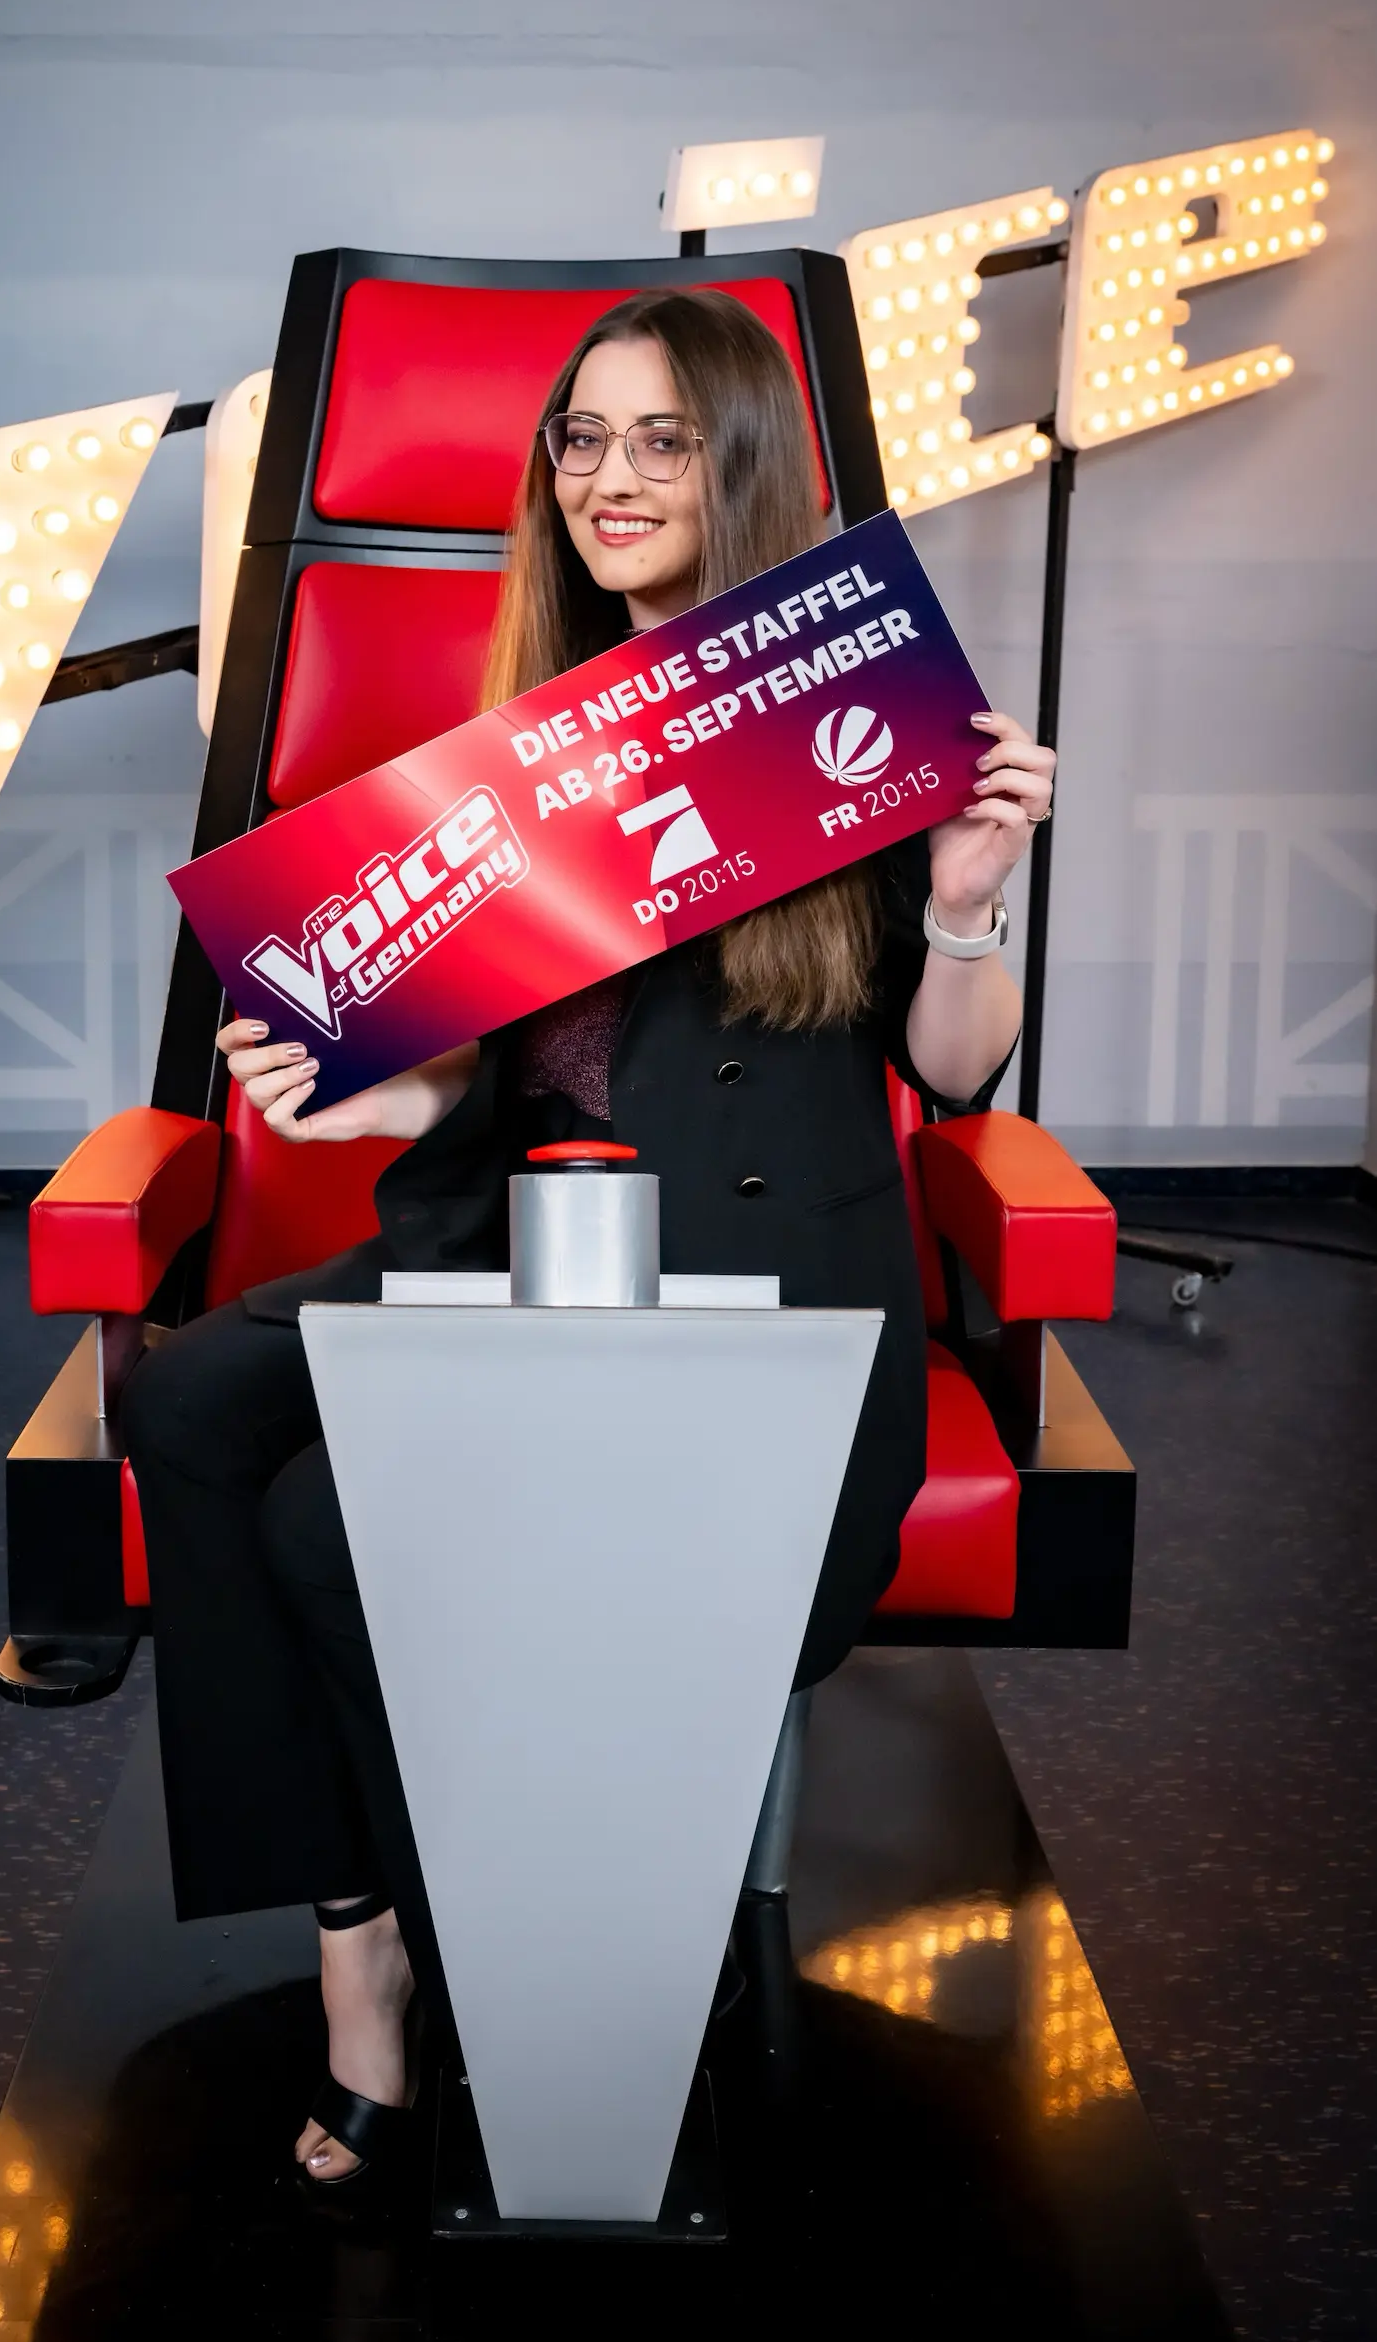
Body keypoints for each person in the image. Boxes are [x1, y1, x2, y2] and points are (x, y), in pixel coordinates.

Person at [122, 286, 1055, 2192]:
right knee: (190, 1398)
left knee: (324, 1524)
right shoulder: (520, 757)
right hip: (514, 1261)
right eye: (580, 439)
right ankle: (361, 1926)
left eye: (659, 441)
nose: (607, 479)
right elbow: (514, 1092)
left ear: (740, 463)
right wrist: (379, 1100)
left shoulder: (848, 713)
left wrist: (966, 899)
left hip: (753, 1319)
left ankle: (427, 1958)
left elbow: (951, 1070)